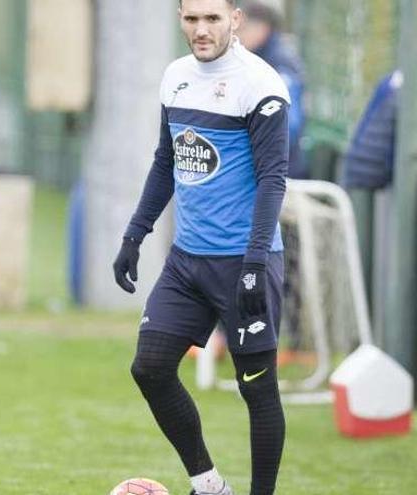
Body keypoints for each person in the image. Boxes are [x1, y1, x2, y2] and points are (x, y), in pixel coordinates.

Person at [112, 0, 289, 494]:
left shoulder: (261, 85)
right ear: (181, 20)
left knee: (257, 388)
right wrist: (134, 234)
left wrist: (255, 261)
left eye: (213, 18)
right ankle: (210, 487)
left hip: (244, 262)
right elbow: (166, 162)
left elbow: (274, 178)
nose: (202, 29)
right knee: (149, 367)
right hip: (187, 262)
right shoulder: (176, 77)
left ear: (235, 18)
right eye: (192, 19)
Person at [237, 0, 306, 180]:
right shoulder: (256, 58)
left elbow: (287, 123)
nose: (237, 35)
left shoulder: (279, 63)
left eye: (243, 28)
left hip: (277, 174)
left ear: (262, 28)